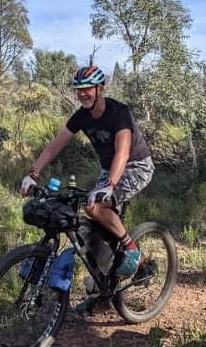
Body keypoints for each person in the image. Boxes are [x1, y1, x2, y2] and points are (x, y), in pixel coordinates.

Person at [20, 65, 154, 279]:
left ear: (100, 89)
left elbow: (123, 153)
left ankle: (132, 248)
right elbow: (55, 146)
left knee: (95, 207)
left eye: (87, 88)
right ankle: (105, 284)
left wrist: (110, 185)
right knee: (94, 222)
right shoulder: (81, 117)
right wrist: (33, 173)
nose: (82, 93)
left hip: (136, 165)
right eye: (78, 89)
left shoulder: (119, 112)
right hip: (108, 169)